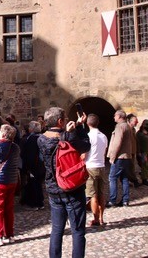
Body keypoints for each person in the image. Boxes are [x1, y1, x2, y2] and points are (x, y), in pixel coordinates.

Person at [38, 106, 90, 258]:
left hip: (53, 188)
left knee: (57, 229)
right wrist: (79, 129)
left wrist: (75, 127)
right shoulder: (68, 137)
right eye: (66, 119)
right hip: (71, 187)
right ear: (61, 121)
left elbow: (59, 138)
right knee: (78, 230)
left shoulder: (41, 139)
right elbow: (85, 145)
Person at [0, 124, 21, 245]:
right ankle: (9, 234)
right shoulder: (16, 147)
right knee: (9, 208)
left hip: (0, 181)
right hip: (12, 180)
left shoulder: (0, 145)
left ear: (3, 134)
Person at [106, 110, 135, 207]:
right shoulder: (128, 126)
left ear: (119, 116)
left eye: (115, 116)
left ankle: (112, 200)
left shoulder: (120, 127)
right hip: (127, 157)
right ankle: (125, 200)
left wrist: (112, 156)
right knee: (125, 178)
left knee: (112, 178)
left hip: (120, 157)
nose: (114, 117)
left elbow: (117, 143)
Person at [84, 113, 108, 226]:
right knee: (101, 193)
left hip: (90, 166)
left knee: (92, 195)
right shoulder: (103, 136)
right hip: (101, 165)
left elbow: (84, 154)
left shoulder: (88, 137)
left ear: (88, 123)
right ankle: (102, 217)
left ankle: (96, 219)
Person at [21, 120, 45, 210]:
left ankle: (35, 204)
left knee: (35, 184)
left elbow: (29, 154)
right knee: (38, 184)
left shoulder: (32, 139)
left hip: (35, 166)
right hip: (42, 165)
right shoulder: (43, 137)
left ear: (31, 129)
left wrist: (28, 167)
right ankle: (39, 202)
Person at [137, 119, 148, 186]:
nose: (147, 126)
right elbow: (137, 143)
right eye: (146, 125)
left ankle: (143, 174)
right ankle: (144, 179)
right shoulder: (139, 134)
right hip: (143, 152)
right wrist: (138, 152)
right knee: (144, 165)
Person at [126, 114, 142, 187]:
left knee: (131, 167)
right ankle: (134, 181)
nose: (137, 122)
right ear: (130, 121)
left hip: (133, 151)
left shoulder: (133, 130)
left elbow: (136, 141)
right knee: (129, 167)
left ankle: (130, 181)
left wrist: (138, 151)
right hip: (128, 152)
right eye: (135, 121)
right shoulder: (126, 129)